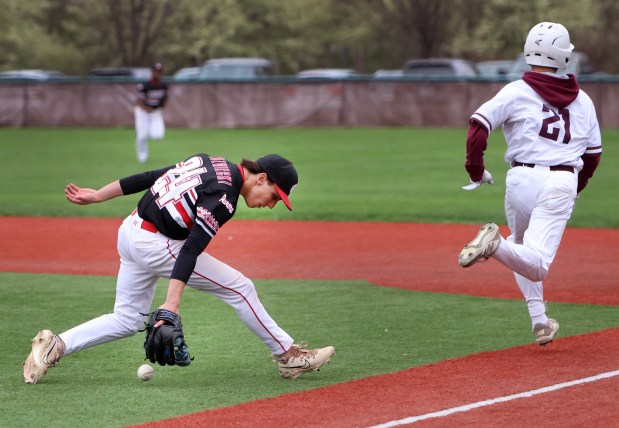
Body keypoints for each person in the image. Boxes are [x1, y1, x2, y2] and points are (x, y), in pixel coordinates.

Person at [23, 153, 335, 384]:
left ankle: (55, 345)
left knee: (127, 319)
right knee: (241, 288)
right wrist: (171, 305)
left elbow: (153, 176)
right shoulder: (225, 198)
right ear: (262, 178)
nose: (272, 204)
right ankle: (288, 357)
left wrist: (99, 195)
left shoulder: (211, 162)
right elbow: (190, 249)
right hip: (156, 244)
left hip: (131, 231)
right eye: (275, 196)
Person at [457, 22, 602, 345]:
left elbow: (478, 126)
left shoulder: (516, 90)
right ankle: (494, 245)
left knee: (522, 250)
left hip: (520, 178)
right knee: (536, 266)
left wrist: (476, 171)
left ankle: (539, 321)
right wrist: (573, 189)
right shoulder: (584, 101)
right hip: (561, 178)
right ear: (565, 56)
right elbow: (593, 156)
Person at [134, 62, 168, 163]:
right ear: (152, 72)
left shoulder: (163, 86)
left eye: (159, 72)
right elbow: (139, 101)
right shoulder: (144, 85)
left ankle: (144, 130)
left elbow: (164, 100)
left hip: (155, 112)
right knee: (141, 136)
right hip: (142, 111)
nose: (157, 73)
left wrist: (156, 108)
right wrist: (145, 107)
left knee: (158, 135)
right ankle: (142, 157)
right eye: (156, 71)